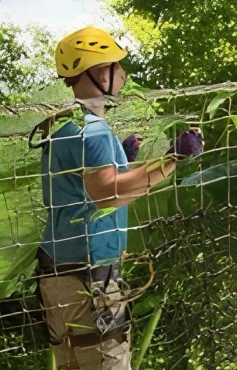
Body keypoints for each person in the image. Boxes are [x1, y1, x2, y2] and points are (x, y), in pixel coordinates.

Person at [33, 26, 204, 370]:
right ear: (95, 72)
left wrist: (125, 164)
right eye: (114, 66)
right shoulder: (92, 129)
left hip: (59, 279)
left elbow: (95, 195)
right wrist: (174, 160)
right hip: (88, 284)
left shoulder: (63, 125)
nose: (122, 75)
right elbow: (106, 194)